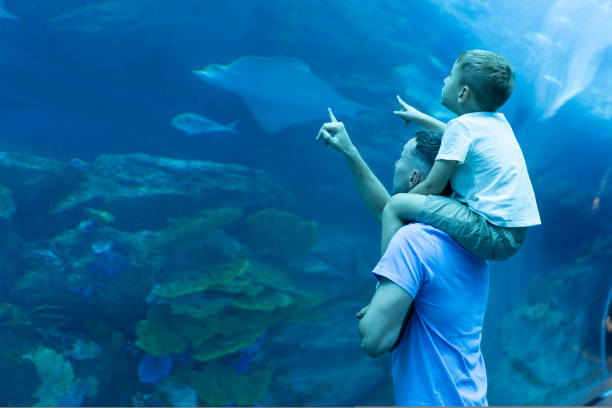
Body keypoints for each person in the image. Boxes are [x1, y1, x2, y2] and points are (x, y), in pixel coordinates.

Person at [316, 110, 488, 405]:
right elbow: (386, 210)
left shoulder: (412, 242)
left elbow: (374, 339)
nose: (395, 163)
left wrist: (377, 302)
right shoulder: (468, 240)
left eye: (400, 158)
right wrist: (350, 152)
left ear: (414, 177)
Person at [381, 49, 541, 261]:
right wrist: (420, 117)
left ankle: (388, 273)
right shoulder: (496, 124)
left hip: (490, 232)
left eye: (451, 76)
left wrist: (405, 203)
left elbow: (432, 186)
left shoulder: (462, 127)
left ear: (463, 93)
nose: (446, 79)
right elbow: (452, 137)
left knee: (395, 205)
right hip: (513, 236)